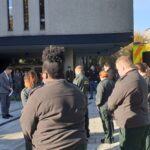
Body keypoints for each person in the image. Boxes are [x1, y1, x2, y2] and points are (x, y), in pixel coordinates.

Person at [20, 45, 87, 150]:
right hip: (78, 145)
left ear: (45, 75)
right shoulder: (78, 92)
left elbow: (26, 127)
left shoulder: (37, 96)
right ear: (63, 72)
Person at [107, 56, 150, 150]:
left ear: (122, 67)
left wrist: (111, 112)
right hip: (142, 121)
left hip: (131, 125)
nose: (118, 72)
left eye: (118, 69)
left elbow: (111, 103)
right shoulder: (140, 77)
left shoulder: (126, 80)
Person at [96, 71, 114, 144]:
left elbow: (99, 97)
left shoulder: (101, 84)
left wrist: (97, 104)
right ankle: (111, 136)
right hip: (111, 105)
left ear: (101, 76)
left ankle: (108, 138)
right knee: (110, 121)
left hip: (104, 106)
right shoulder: (112, 82)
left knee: (105, 122)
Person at [73, 65, 90, 138]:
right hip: (85, 98)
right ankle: (87, 131)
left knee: (79, 115)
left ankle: (81, 131)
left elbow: (74, 88)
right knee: (86, 115)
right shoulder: (86, 78)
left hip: (78, 99)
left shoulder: (77, 79)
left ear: (77, 71)